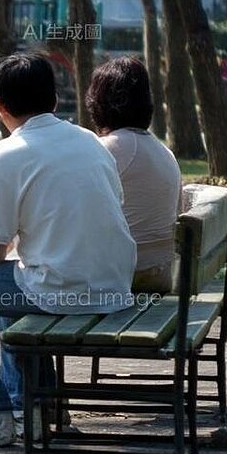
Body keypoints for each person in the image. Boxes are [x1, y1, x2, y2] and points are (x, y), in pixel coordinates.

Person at [0, 52, 136, 447]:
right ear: (55, 100)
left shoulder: (7, 155)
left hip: (64, 291)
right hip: (114, 286)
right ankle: (33, 408)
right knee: (15, 281)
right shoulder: (91, 142)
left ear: (0, 106)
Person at [86, 57, 182, 295]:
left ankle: (12, 336)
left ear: (99, 103)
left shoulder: (108, 149)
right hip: (161, 273)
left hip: (124, 275)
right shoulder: (163, 151)